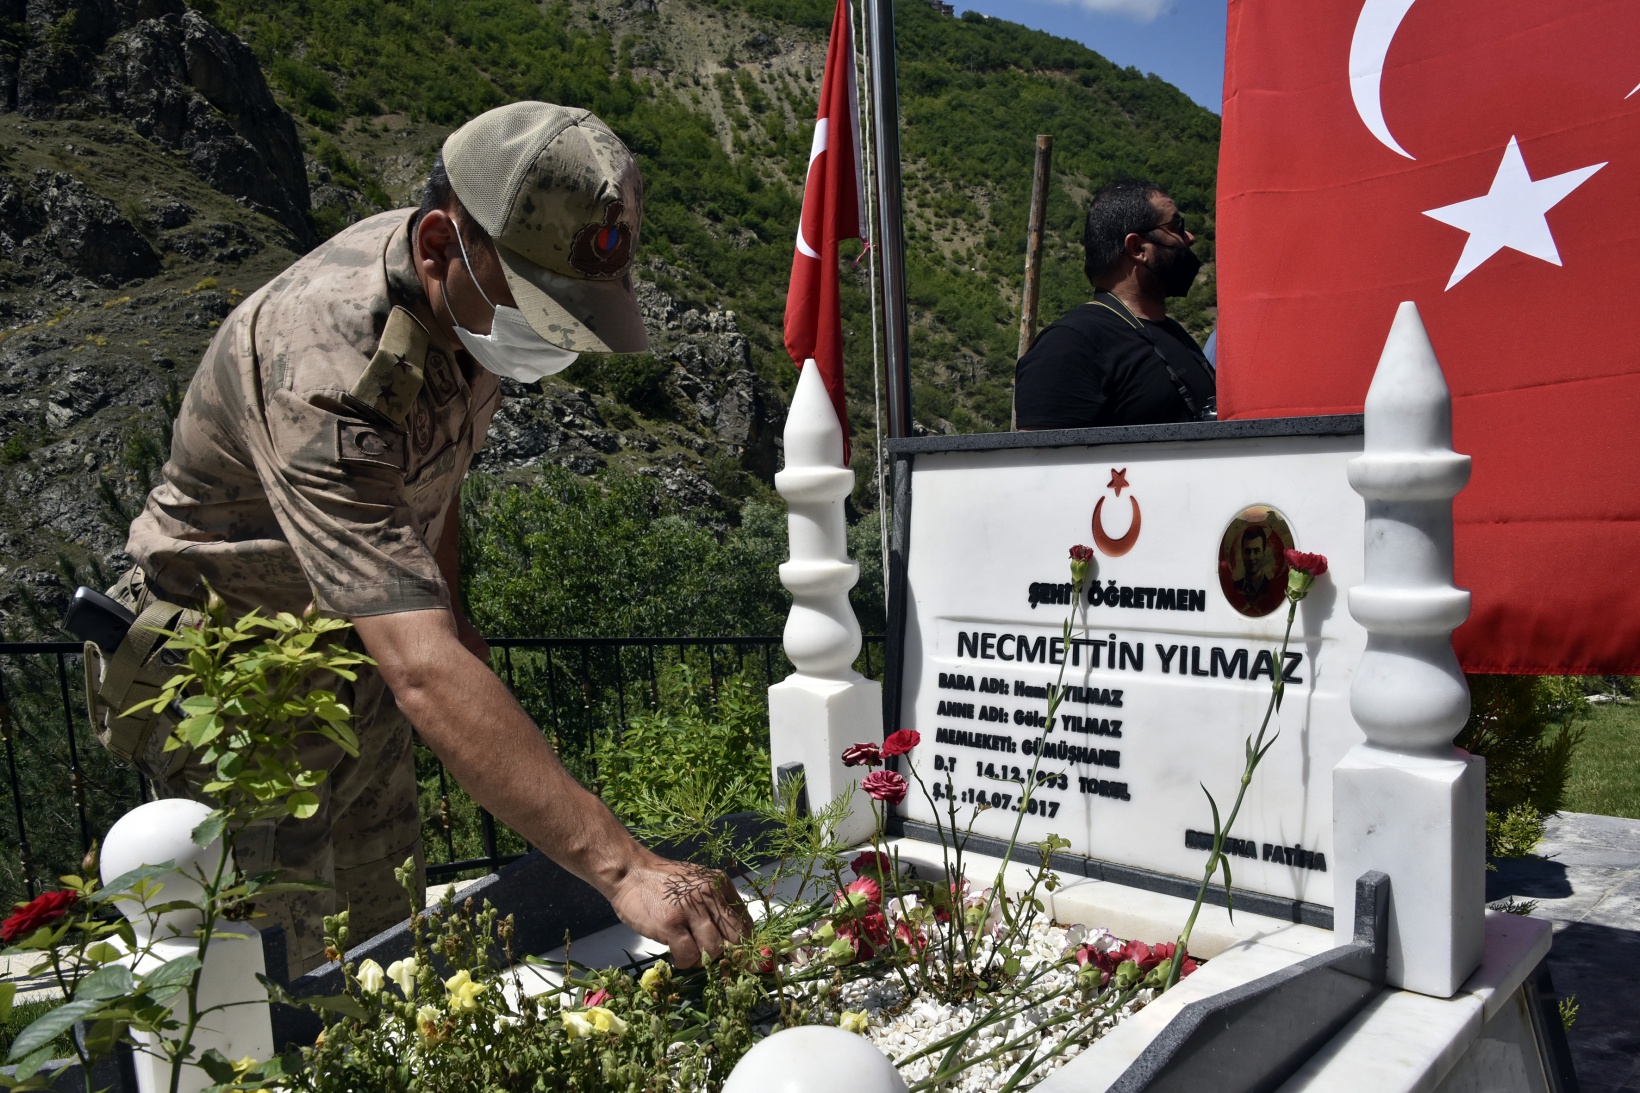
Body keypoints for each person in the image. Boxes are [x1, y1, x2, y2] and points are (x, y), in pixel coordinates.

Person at [108, 101, 748, 978]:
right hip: (237, 685)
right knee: (284, 986)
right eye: (539, 311)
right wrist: (628, 867)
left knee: (389, 951)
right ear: (442, 246)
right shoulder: (325, 362)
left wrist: (457, 618)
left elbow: (428, 490)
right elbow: (420, 667)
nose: (549, 342)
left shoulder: (466, 301)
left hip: (356, 660)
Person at [1014, 179, 1215, 429]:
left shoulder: (1173, 332)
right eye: (1176, 227)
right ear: (1137, 247)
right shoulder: (1069, 345)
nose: (1190, 238)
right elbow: (1042, 463)